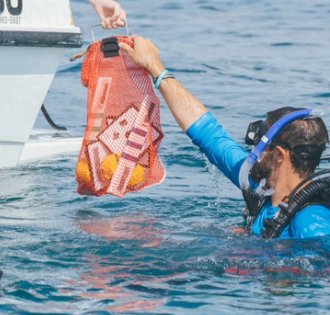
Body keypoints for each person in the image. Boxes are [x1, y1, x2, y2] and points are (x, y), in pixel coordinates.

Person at [121, 35, 330, 239]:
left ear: (279, 155)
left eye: (260, 143)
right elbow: (209, 135)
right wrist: (154, 66)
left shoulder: (311, 223)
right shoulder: (262, 189)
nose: (253, 151)